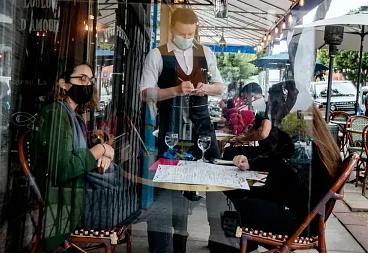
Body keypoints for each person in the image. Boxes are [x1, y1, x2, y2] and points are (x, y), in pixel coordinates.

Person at [139, 7, 229, 253]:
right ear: (171, 29)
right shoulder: (157, 55)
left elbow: (220, 87)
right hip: (171, 128)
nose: (187, 38)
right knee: (168, 191)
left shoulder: (206, 52)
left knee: (216, 189)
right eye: (182, 33)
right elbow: (145, 92)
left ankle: (219, 244)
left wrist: (206, 88)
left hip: (202, 127)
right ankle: (164, 248)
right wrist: (175, 91)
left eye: (191, 33)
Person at [228, 105, 343, 253]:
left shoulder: (303, 150)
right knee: (237, 197)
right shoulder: (314, 144)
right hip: (304, 216)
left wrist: (245, 191)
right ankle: (246, 246)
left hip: (297, 223)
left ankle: (238, 246)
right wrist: (251, 163)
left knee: (230, 210)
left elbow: (276, 190)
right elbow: (276, 163)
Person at [32, 63, 116, 251]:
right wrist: (100, 150)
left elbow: (79, 159)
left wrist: (102, 158)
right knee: (126, 206)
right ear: (63, 84)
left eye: (91, 80)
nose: (88, 84)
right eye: (82, 78)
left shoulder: (72, 115)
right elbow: (63, 169)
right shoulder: (56, 114)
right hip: (64, 203)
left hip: (76, 196)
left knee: (124, 200)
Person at [223, 80, 298, 161]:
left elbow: (263, 133)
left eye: (245, 96)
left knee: (229, 152)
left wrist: (243, 139)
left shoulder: (265, 109)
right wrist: (245, 135)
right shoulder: (281, 110)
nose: (244, 100)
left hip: (270, 154)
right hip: (275, 152)